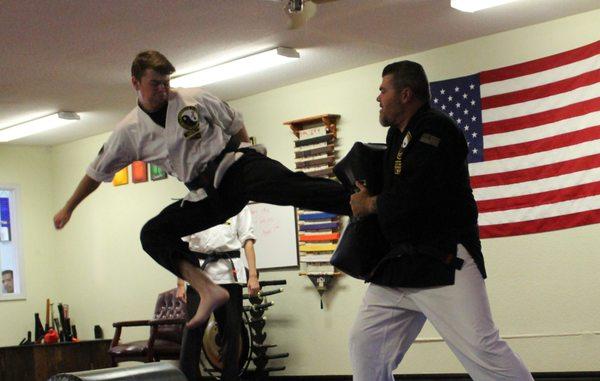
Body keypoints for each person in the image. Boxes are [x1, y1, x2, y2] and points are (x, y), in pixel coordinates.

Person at [53, 50, 351, 329]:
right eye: (155, 83)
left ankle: (357, 202)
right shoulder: (128, 132)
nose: (162, 89)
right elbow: (96, 172)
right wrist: (69, 207)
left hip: (233, 167)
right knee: (153, 233)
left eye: (166, 82)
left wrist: (250, 154)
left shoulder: (193, 98)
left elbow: (234, 124)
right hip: (204, 194)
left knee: (288, 186)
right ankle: (207, 288)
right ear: (135, 83)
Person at [347, 61, 533, 380]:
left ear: (405, 94)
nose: (378, 97)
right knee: (365, 343)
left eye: (383, 90)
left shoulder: (437, 130)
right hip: (401, 263)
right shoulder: (396, 137)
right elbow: (394, 189)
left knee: (483, 350)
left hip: (443, 260)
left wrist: (369, 204)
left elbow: (415, 197)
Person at [176, 206, 259, 381]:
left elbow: (248, 241)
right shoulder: (192, 203)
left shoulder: (238, 204)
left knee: (231, 332)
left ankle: (230, 377)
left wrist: (252, 275)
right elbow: (182, 247)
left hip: (229, 277)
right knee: (192, 333)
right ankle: (189, 377)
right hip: (199, 277)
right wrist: (180, 283)